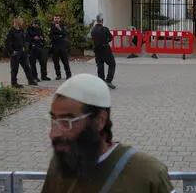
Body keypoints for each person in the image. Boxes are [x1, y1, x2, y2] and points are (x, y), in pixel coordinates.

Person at [41, 74, 175, 193]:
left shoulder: (148, 172)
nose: (53, 134)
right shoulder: (60, 164)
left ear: (100, 120)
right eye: (54, 120)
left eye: (66, 122)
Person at [5, 17, 37, 88]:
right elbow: (8, 43)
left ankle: (30, 80)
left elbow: (24, 40)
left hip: (22, 52)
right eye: (21, 20)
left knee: (27, 67)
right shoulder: (10, 31)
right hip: (15, 52)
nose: (22, 22)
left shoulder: (21, 30)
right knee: (15, 68)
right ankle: (14, 83)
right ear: (17, 21)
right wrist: (11, 51)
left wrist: (25, 50)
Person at [91, 14, 117, 89]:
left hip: (97, 50)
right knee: (112, 64)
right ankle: (108, 80)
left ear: (96, 20)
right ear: (102, 21)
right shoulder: (105, 29)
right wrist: (106, 40)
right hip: (105, 49)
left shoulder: (93, 30)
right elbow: (110, 37)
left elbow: (92, 38)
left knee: (100, 65)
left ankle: (101, 81)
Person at [51, 15, 72, 80]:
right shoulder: (51, 26)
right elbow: (51, 36)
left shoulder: (63, 26)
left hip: (63, 47)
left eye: (58, 18)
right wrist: (59, 36)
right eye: (55, 18)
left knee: (65, 61)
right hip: (55, 47)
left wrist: (59, 28)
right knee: (56, 62)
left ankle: (68, 75)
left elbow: (65, 33)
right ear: (54, 19)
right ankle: (58, 75)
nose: (56, 19)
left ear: (60, 19)